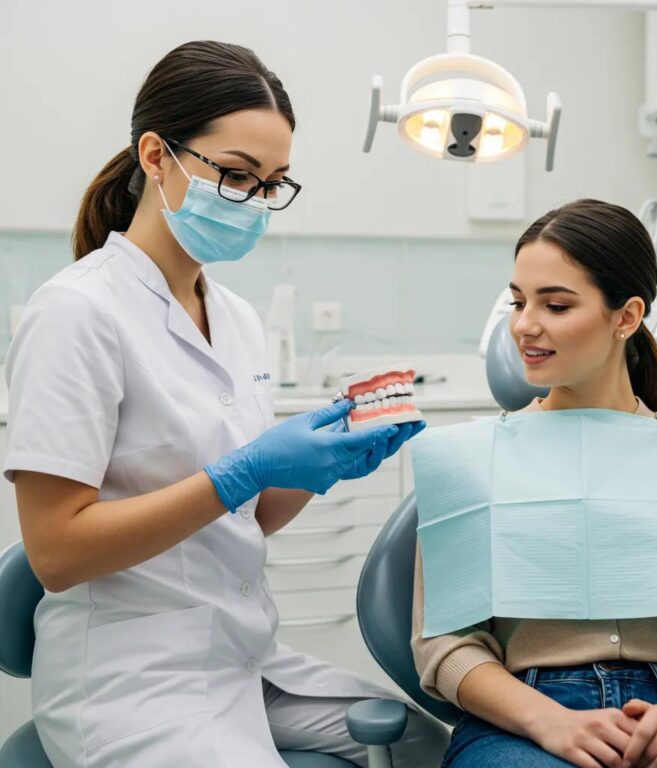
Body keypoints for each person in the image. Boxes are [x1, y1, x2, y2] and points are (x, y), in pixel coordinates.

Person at [2, 40, 448, 768]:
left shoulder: (235, 318)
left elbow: (251, 515)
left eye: (272, 183)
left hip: (242, 657)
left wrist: (318, 465)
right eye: (237, 175)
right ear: (155, 156)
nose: (256, 200)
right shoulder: (76, 313)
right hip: (130, 681)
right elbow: (56, 553)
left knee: (427, 748)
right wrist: (239, 472)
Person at [411, 199, 657, 767]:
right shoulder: (468, 459)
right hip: (521, 716)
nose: (525, 324)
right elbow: (445, 646)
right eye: (518, 301)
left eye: (554, 304)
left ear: (625, 317)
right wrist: (549, 721)